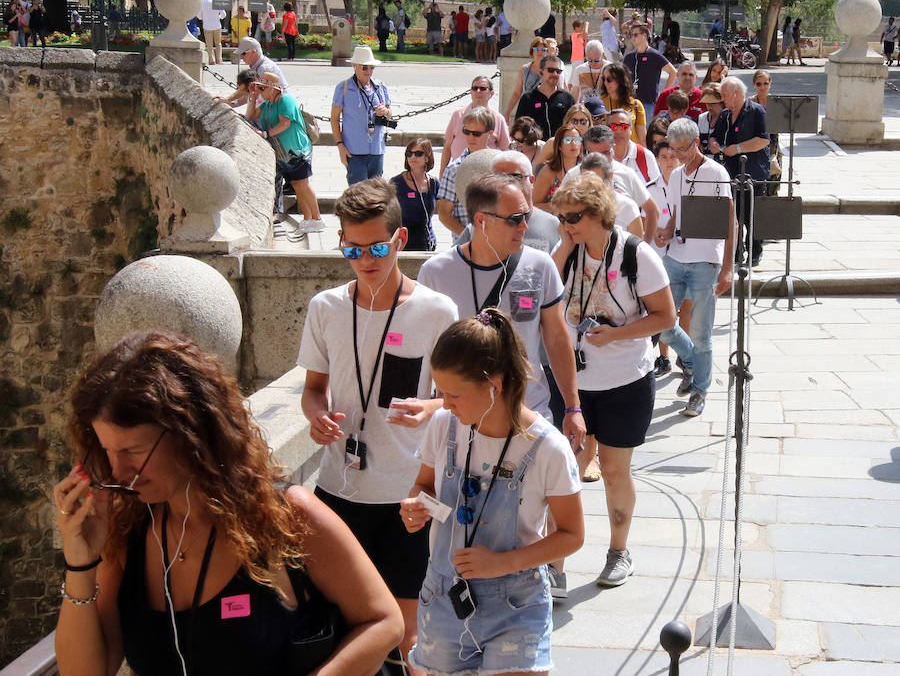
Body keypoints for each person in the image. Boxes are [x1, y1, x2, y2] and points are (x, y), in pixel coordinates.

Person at [53, 331, 404, 676]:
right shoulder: (128, 532)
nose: (118, 471)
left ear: (190, 433)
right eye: (106, 450)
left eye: (133, 450)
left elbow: (384, 621)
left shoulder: (285, 515)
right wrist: (80, 563)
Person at [299, 179, 459, 672]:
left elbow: (460, 399)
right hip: (337, 490)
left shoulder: (436, 311)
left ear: (400, 242)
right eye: (351, 248)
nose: (363, 259)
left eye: (375, 248)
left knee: (408, 637)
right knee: (340, 631)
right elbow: (312, 389)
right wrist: (317, 417)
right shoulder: (326, 307)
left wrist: (429, 409)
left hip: (408, 497)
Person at [400, 308, 584, 675]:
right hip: (444, 596)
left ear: (494, 385)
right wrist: (414, 508)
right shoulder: (443, 425)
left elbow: (572, 535)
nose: (444, 404)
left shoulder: (547, 447)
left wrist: (502, 563)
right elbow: (423, 486)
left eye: (453, 394)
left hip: (517, 605)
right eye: (440, 393)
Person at [551, 172, 675, 586]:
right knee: (564, 470)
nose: (566, 223)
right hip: (573, 382)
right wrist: (564, 246)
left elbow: (666, 316)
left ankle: (619, 551)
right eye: (561, 216)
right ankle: (555, 565)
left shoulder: (637, 255)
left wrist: (617, 334)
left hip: (624, 381)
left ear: (599, 213)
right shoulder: (567, 249)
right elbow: (545, 294)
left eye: (574, 216)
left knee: (616, 470)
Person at [417, 173, 588, 450]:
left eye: (526, 216)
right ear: (481, 220)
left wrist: (573, 408)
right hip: (460, 421)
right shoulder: (435, 273)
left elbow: (557, 339)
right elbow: (425, 351)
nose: (524, 226)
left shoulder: (540, 266)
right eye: (514, 219)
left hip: (528, 415)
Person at [655, 118, 736, 417]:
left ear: (695, 143)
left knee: (702, 332)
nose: (677, 155)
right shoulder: (676, 175)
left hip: (705, 261)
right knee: (661, 324)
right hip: (675, 257)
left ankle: (700, 389)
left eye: (681, 149)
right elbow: (677, 213)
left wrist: (727, 267)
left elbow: (730, 221)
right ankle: (692, 363)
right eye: (672, 149)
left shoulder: (716, 173)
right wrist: (665, 230)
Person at [247, 72, 324, 231]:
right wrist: (253, 97)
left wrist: (266, 134)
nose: (261, 91)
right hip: (285, 154)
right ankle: (308, 219)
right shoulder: (268, 104)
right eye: (259, 88)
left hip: (298, 150)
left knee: (302, 183)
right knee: (297, 184)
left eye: (262, 88)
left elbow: (285, 123)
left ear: (274, 89)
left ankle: (317, 218)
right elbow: (251, 115)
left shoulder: (285, 100)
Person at [709, 76, 769, 266]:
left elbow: (764, 139)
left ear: (736, 94)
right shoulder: (726, 115)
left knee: (752, 214)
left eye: (725, 95)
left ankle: (755, 250)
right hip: (730, 171)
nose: (723, 99)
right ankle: (735, 251)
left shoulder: (757, 111)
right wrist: (714, 144)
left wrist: (738, 148)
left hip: (753, 170)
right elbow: (713, 136)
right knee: (733, 214)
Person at [647, 138, 691, 377]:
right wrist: (656, 234)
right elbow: (643, 218)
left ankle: (685, 355)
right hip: (658, 255)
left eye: (672, 156)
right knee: (662, 308)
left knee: (686, 306)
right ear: (657, 161)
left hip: (683, 253)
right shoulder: (650, 188)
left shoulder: (688, 185)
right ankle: (663, 357)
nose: (668, 162)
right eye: (663, 157)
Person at [330, 46, 393, 186]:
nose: (369, 71)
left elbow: (390, 112)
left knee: (376, 196)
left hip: (377, 150)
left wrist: (385, 111)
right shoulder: (344, 87)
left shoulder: (380, 86)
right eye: (365, 68)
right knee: (359, 197)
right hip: (354, 152)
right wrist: (340, 146)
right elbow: (334, 118)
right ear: (354, 66)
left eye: (372, 68)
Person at [436, 106, 495, 240]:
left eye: (476, 133)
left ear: (490, 133)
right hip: (466, 246)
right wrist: (471, 237)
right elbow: (444, 214)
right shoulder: (454, 169)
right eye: (466, 132)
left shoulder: (501, 165)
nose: (470, 137)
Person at [440, 76, 511, 175]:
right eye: (474, 88)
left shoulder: (498, 119)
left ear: (491, 93)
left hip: (485, 172)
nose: (478, 91)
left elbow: (506, 151)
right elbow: (447, 147)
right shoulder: (458, 114)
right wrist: (442, 175)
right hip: (458, 171)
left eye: (482, 88)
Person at [578, 153, 645, 238]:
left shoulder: (628, 207)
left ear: (610, 177)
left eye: (596, 181)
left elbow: (637, 247)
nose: (591, 188)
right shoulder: (575, 207)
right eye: (586, 182)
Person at [390, 138, 440, 251]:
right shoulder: (396, 183)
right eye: (409, 154)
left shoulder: (434, 183)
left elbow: (442, 209)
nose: (412, 157)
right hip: (403, 242)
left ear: (427, 157)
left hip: (427, 241)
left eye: (418, 154)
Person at [515, 56, 576, 142]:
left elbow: (575, 126)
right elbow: (519, 126)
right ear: (541, 72)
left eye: (558, 71)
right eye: (551, 70)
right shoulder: (528, 98)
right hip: (535, 148)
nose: (555, 74)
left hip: (561, 148)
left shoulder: (568, 98)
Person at [623, 23, 677, 115]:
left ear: (644, 36)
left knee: (647, 129)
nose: (633, 37)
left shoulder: (655, 55)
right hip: (631, 102)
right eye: (631, 35)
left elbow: (673, 72)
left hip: (649, 103)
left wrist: (664, 94)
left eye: (635, 35)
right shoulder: (629, 57)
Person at [534, 124, 584, 209]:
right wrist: (556, 207)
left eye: (577, 140)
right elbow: (534, 205)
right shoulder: (548, 172)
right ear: (560, 146)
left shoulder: (587, 169)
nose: (573, 143)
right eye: (567, 140)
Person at [608, 108, 660, 186]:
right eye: (613, 126)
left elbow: (658, 189)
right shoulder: (600, 157)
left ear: (631, 130)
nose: (618, 131)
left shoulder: (645, 156)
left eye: (624, 126)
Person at [751, 70, 782, 194]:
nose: (762, 87)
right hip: (755, 147)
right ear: (754, 85)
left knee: (773, 185)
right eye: (759, 84)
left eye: (765, 83)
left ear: (770, 84)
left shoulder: (777, 102)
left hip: (773, 148)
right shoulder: (750, 103)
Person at [600, 62, 646, 145]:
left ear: (620, 80)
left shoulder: (636, 105)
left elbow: (642, 138)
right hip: (609, 152)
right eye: (603, 79)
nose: (605, 83)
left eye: (609, 79)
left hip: (632, 153)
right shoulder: (600, 104)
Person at [533, 104, 593, 168]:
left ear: (589, 123)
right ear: (567, 122)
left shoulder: (592, 144)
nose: (579, 125)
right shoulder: (553, 143)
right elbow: (537, 169)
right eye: (574, 121)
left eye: (583, 121)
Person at [504, 38, 548, 120]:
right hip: (526, 109)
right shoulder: (524, 69)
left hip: (543, 111)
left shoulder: (550, 70)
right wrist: (507, 112)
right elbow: (517, 93)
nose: (540, 52)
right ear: (532, 51)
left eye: (543, 49)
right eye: (536, 49)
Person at [697, 82, 724, 156]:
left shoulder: (728, 119)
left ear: (722, 102)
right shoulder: (701, 118)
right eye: (707, 103)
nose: (709, 106)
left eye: (713, 103)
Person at [200, 0, 226, 65]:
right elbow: (223, 14)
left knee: (209, 44)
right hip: (217, 25)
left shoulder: (202, 3)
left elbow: (199, 16)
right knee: (218, 43)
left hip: (207, 25)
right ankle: (219, 59)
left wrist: (203, 18)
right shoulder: (216, 2)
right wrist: (219, 17)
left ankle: (212, 60)